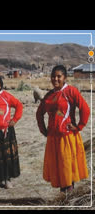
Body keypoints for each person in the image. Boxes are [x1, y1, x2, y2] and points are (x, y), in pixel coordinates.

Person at [36, 65, 90, 193]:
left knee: (67, 166)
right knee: (59, 168)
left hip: (67, 136)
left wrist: (79, 126)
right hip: (53, 138)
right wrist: (44, 130)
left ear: (65, 77)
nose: (55, 79)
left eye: (59, 76)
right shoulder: (49, 95)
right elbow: (39, 113)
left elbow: (85, 109)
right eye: (53, 76)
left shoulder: (71, 91)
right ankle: (63, 196)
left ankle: (69, 198)